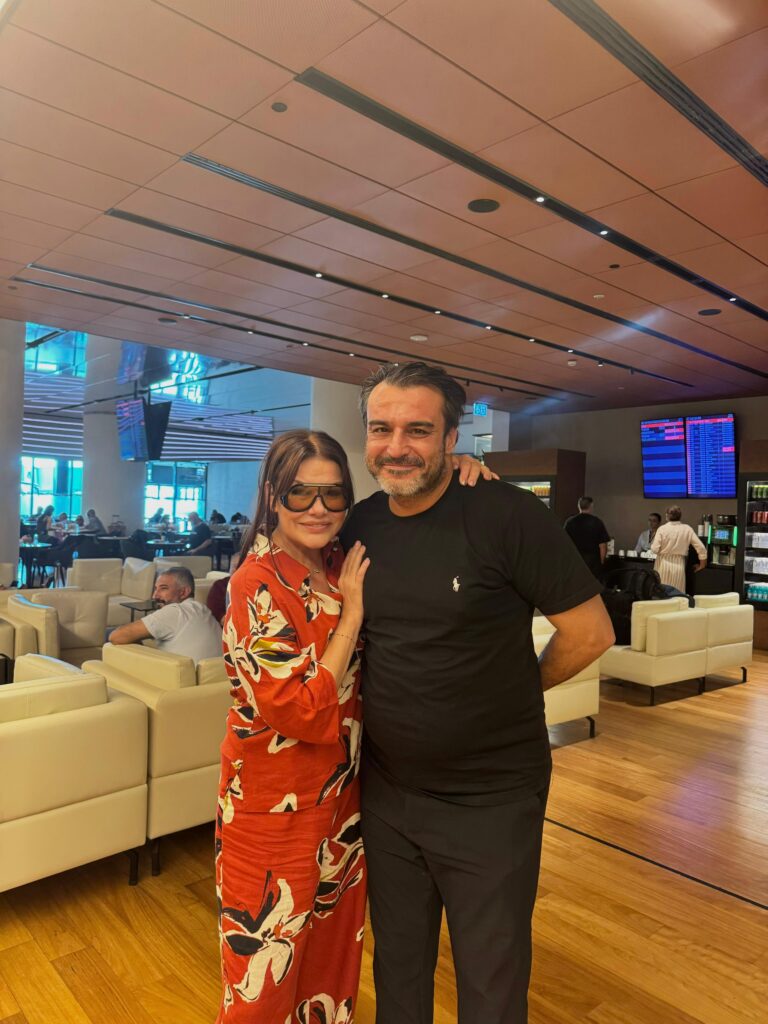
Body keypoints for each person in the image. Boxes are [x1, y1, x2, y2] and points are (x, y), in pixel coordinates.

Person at [341, 361, 615, 1024]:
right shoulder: (359, 525)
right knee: (398, 969)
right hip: (386, 792)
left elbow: (591, 633)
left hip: (490, 799)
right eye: (381, 428)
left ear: (451, 438)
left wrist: (517, 691)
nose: (396, 446)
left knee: (491, 986)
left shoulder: (506, 515)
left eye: (418, 430)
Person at [217, 430, 368, 1023]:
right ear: (272, 495)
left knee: (330, 963)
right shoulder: (254, 583)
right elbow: (299, 711)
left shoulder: (336, 564)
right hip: (271, 806)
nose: (318, 509)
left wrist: (464, 466)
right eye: (301, 493)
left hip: (341, 799)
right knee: (262, 981)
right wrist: (352, 616)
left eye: (333, 494)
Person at [109, 566, 222, 662]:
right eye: (155, 589)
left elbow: (116, 637)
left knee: (110, 637)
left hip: (180, 679)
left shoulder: (175, 611)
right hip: (214, 678)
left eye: (163, 589)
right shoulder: (203, 609)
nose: (155, 596)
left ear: (183, 592)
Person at [651, 505, 707, 592]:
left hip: (662, 564)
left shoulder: (662, 529)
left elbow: (654, 549)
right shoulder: (687, 529)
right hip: (679, 565)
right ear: (680, 516)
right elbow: (701, 547)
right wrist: (702, 564)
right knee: (677, 594)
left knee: (661, 593)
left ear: (667, 516)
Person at [564, 496, 611, 581]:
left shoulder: (570, 522)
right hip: (593, 563)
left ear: (578, 506)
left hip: (575, 561)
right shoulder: (597, 522)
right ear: (591, 506)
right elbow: (603, 546)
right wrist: (601, 562)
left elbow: (565, 544)